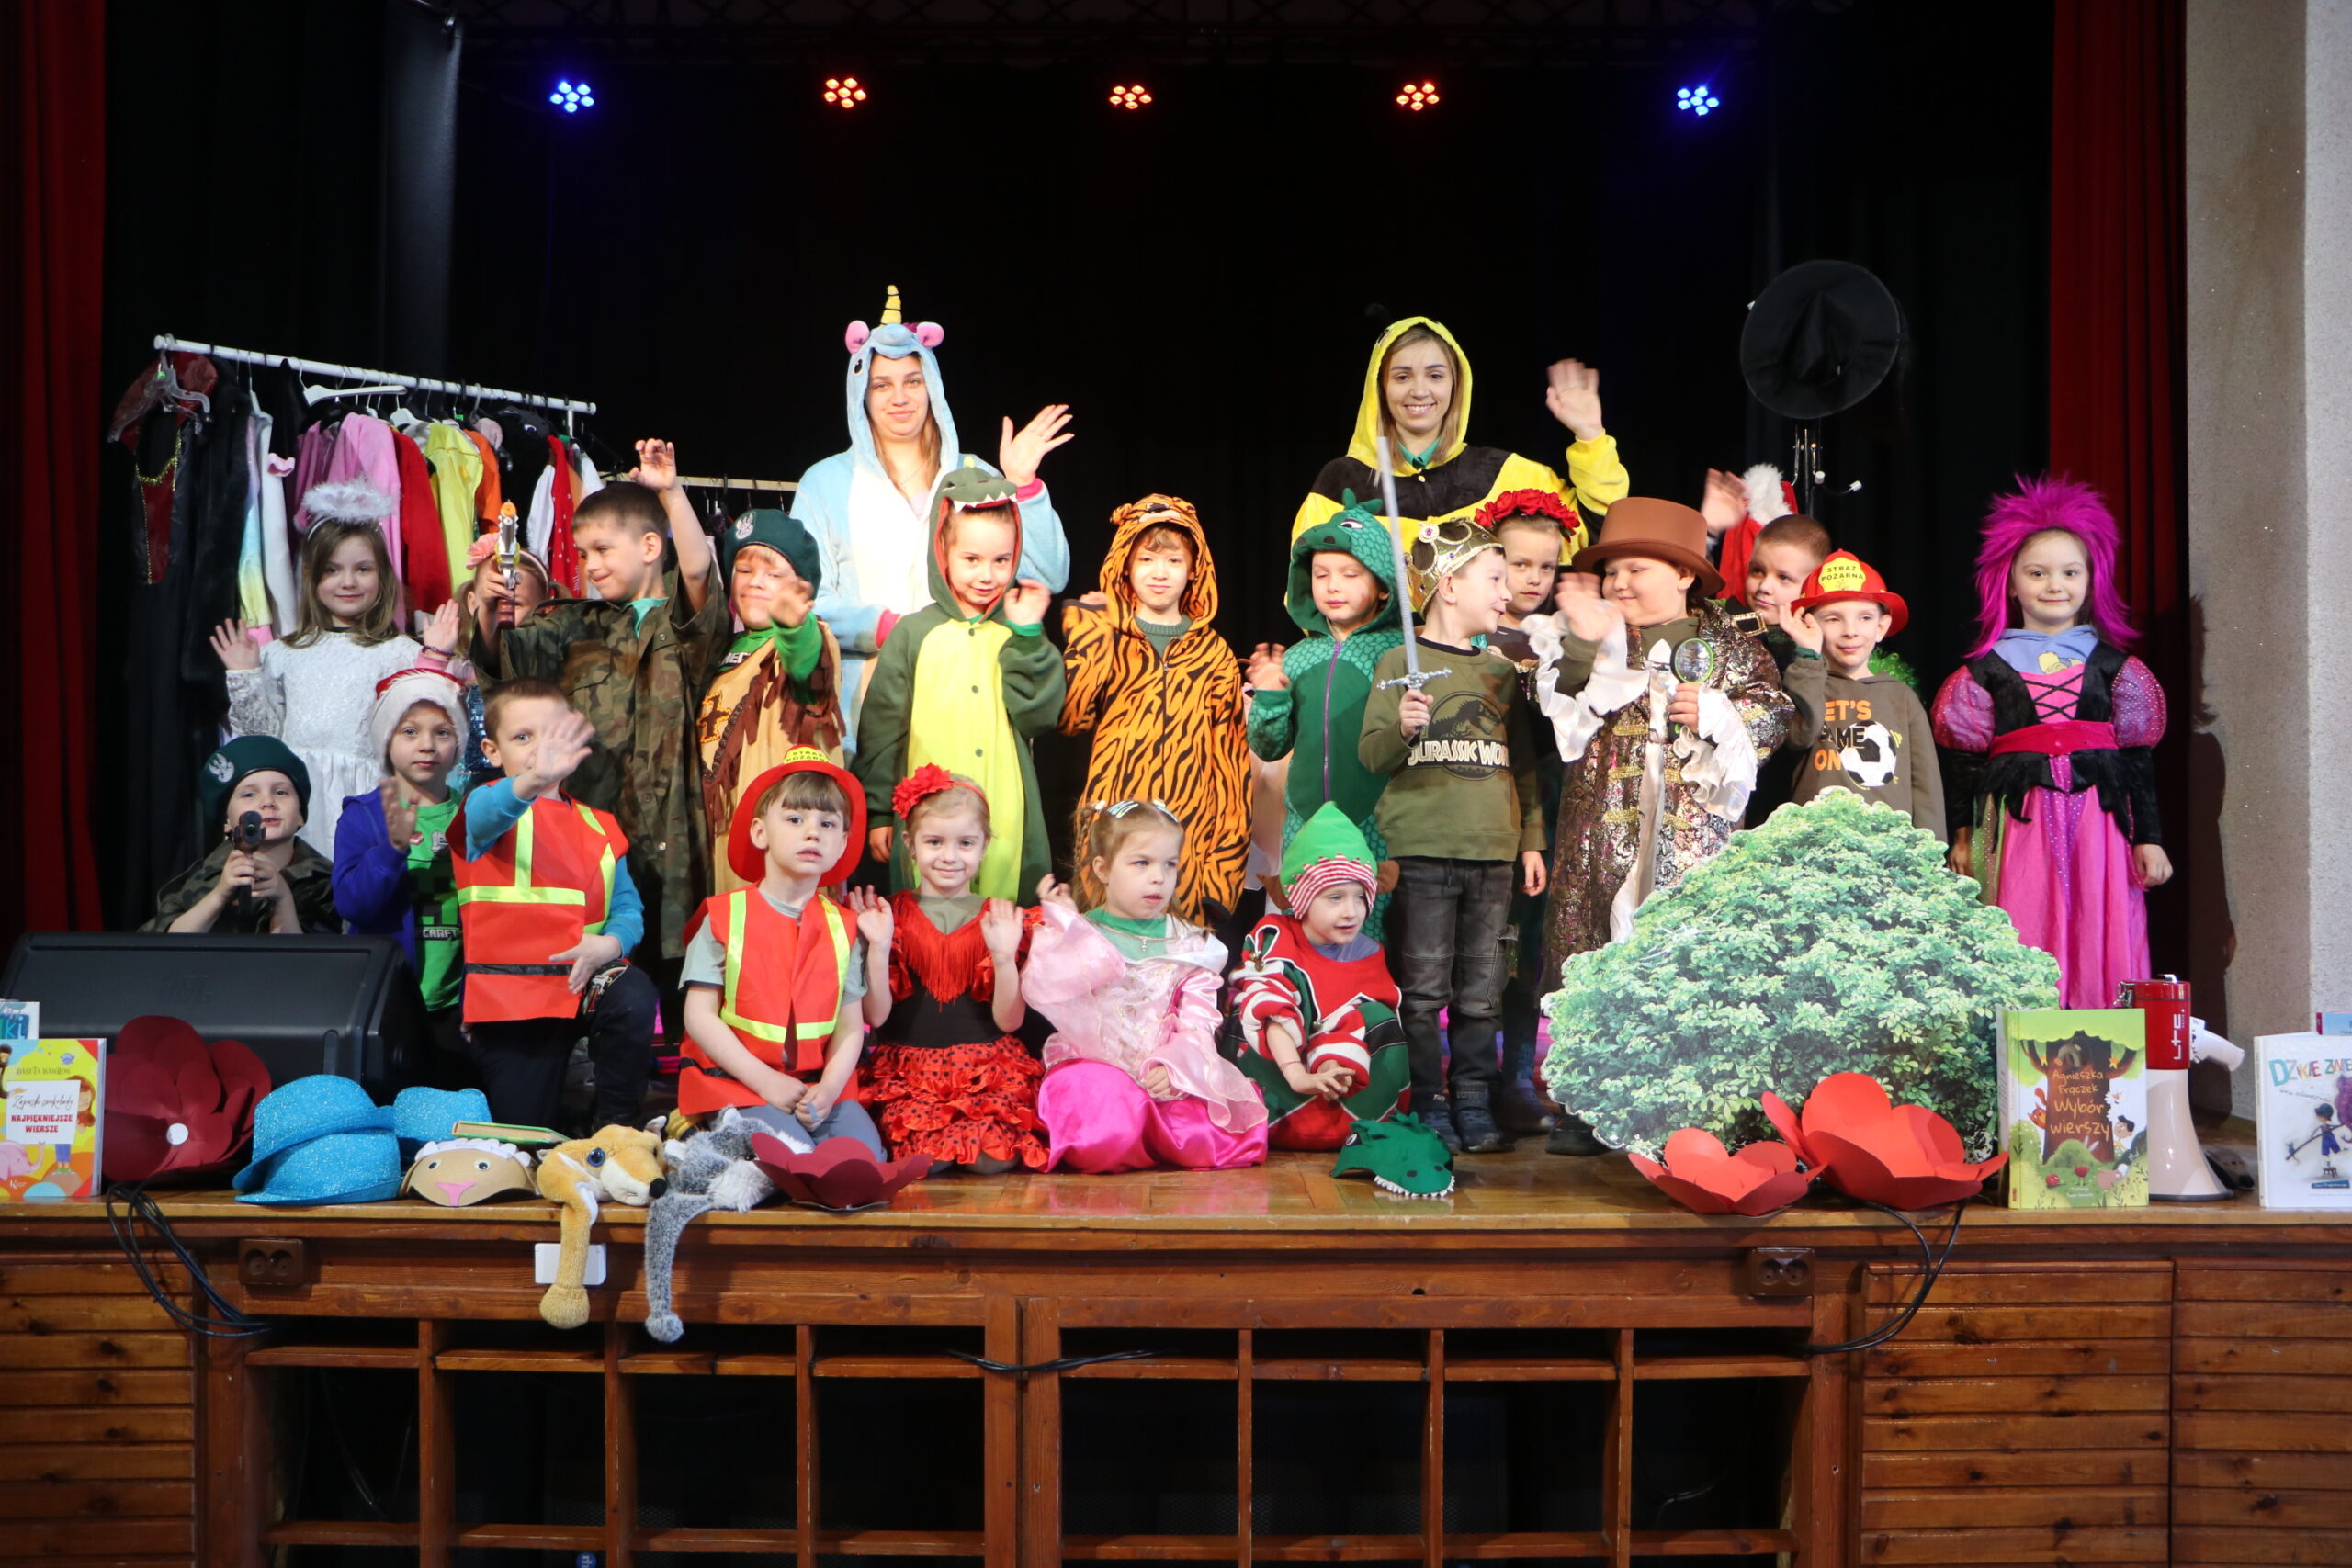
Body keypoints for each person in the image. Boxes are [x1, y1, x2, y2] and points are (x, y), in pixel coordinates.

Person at [1527, 499, 1793, 1151]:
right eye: (1611, 571)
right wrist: (1584, 641)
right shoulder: (1588, 631)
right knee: (1595, 945)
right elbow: (1549, 701)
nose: (1618, 583)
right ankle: (1588, 1105)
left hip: (1690, 828)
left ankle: (1683, 1107)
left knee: (1684, 953)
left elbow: (1774, 711)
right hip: (1603, 825)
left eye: (1635, 569)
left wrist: (1720, 713)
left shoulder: (1732, 647)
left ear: (1682, 574)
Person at [470, 439, 727, 966]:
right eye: (584, 554)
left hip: (674, 833)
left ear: (651, 546)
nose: (591, 566)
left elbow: (699, 572)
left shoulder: (683, 623)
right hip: (592, 826)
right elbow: (506, 676)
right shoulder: (570, 624)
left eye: (603, 550)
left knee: (675, 963)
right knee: (593, 961)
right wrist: (490, 612)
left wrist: (671, 492)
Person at [793, 286, 1074, 745]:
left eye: (913, 381)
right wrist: (887, 628)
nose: (899, 397)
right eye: (882, 385)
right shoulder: (825, 484)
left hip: (967, 713)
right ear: (861, 393)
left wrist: (1022, 485)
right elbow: (804, 600)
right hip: (864, 720)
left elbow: (1047, 575)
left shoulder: (975, 477)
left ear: (933, 388)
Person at [1932, 478, 2169, 1009]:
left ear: (2090, 580)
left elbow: (2137, 760)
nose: (2054, 584)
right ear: (2011, 583)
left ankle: (2103, 1039)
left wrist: (2149, 838)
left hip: (2099, 825)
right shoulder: (1986, 671)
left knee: (2098, 919)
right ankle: (2024, 1042)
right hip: (2020, 823)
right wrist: (1963, 836)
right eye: (2037, 573)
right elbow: (1965, 763)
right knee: (2023, 916)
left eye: (2070, 572)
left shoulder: (2115, 668)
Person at [1357, 519, 1546, 1154]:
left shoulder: (1500, 671)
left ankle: (1472, 1097)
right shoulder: (1398, 664)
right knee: (1423, 990)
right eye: (1494, 579)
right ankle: (1428, 1099)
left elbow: (1523, 765)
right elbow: (1371, 756)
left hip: (1492, 853)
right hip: (1424, 851)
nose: (1507, 593)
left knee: (1481, 992)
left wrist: (1530, 840)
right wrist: (1403, 729)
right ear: (1448, 585)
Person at [452, 679, 661, 1133]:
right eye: (522, 737)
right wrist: (532, 780)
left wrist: (609, 946)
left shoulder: (600, 825)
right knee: (527, 1136)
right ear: (492, 751)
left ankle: (616, 1128)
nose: (539, 750)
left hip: (582, 984)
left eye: (550, 736)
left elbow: (628, 909)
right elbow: (488, 814)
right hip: (512, 1006)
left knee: (633, 993)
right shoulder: (482, 806)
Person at [853, 467, 1065, 902]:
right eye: (972, 559)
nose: (987, 575)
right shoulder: (913, 634)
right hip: (926, 814)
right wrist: (879, 813)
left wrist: (1028, 638)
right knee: (928, 918)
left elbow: (1039, 715)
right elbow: (882, 731)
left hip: (1005, 809)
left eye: (1001, 560)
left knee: (1003, 916)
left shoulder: (1019, 629)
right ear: (942, 551)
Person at [1024, 801, 1269, 1173]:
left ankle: (1148, 1129)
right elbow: (1050, 990)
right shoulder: (1084, 931)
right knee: (1103, 1119)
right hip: (1096, 1068)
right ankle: (1135, 1131)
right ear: (1103, 869)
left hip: (1163, 1072)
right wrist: (1070, 931)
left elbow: (1199, 1022)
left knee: (1209, 1131)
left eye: (1169, 864)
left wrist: (1175, 1069)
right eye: (1142, 863)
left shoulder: (1191, 944)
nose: (1158, 877)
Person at [213, 482, 452, 859]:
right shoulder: (283, 654)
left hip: (368, 801)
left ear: (382, 574)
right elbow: (262, 742)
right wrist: (245, 675)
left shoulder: (402, 654)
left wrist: (436, 657)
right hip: (298, 805)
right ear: (312, 576)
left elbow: (427, 729)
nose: (348, 582)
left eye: (363, 569)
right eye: (332, 570)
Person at [675, 749, 888, 1159]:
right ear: (760, 832)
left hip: (818, 1087)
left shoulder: (844, 926)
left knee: (860, 1159)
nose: (812, 833)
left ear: (843, 843)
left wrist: (829, 1088)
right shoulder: (724, 916)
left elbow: (850, 1028)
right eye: (794, 819)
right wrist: (766, 1082)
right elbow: (699, 1018)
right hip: (739, 1082)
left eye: (827, 824)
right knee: (789, 1158)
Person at [842, 768, 1046, 1173]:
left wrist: (1004, 957)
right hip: (909, 1072)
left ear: (984, 845)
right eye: (934, 842)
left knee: (991, 1158)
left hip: (986, 1072)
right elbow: (875, 1017)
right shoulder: (888, 914)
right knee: (924, 1161)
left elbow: (1009, 1021)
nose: (950, 856)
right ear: (910, 844)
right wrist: (878, 946)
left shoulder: (1002, 918)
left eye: (965, 843)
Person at [1059, 495, 1249, 925]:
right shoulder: (1109, 636)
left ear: (1194, 569)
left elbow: (1232, 768)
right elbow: (1071, 718)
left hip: (1186, 842)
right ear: (1125, 564)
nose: (1159, 573)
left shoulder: (1214, 653)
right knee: (1107, 948)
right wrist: (1088, 636)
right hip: (1114, 826)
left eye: (1173, 561)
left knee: (1174, 954)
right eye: (1146, 559)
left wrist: (1223, 875)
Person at [1291, 319, 1627, 559]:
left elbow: (1600, 530)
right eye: (1402, 376)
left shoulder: (1509, 475)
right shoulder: (1341, 484)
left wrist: (1590, 435)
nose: (1419, 390)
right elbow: (1310, 592)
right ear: (1380, 387)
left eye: (1435, 375)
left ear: (1457, 385)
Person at [1244, 497, 1405, 918]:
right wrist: (1270, 696)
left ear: (1384, 585)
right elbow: (1269, 747)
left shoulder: (1401, 652)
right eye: (1321, 574)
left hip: (1377, 825)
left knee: (1366, 926)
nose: (1333, 586)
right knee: (1307, 927)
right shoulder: (1298, 658)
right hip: (1306, 825)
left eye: (1350, 574)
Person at [1478, 491, 1580, 1136]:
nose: (1534, 579)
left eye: (1547, 566)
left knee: (1528, 947)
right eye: (1520, 564)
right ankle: (1466, 1078)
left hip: (1547, 804)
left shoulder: (1564, 639)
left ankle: (1517, 1077)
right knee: (1477, 946)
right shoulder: (1468, 634)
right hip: (1480, 800)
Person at [1228, 803, 1408, 1150]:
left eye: (1360, 897)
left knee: (1379, 1016)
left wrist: (1331, 1065)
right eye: (1335, 897)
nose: (1351, 911)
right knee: (1256, 1003)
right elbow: (1270, 1009)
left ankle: (1359, 1123)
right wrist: (1298, 1074)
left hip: (1336, 1083)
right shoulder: (1276, 936)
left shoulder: (1367, 952)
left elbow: (1357, 1019)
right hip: (1280, 1078)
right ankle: (1269, 1119)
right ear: (1303, 899)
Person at [699, 508, 846, 896]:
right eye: (744, 570)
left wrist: (793, 627)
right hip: (724, 839)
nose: (756, 582)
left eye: (774, 574)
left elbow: (806, 664)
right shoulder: (719, 651)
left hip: (783, 844)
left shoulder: (811, 638)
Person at [333, 670, 473, 1051]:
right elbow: (352, 905)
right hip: (387, 1003)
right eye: (410, 731)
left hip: (460, 1008)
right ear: (386, 741)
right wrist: (392, 849)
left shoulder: (475, 813)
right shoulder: (363, 816)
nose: (427, 745)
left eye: (442, 732)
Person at [1780, 552, 1945, 839]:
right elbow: (1799, 737)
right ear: (1809, 624)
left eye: (1865, 617)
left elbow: (1925, 785)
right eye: (1833, 619)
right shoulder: (1806, 683)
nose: (1851, 631)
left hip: (1888, 850)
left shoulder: (1901, 697)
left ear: (1881, 627)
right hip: (1815, 847)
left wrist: (1931, 852)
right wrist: (1808, 656)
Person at [145, 736, 340, 935]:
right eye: (249, 794)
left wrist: (283, 899)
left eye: (281, 792)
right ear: (227, 821)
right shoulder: (203, 877)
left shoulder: (328, 882)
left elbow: (315, 952)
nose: (268, 802)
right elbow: (163, 946)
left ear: (300, 814)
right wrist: (219, 895)